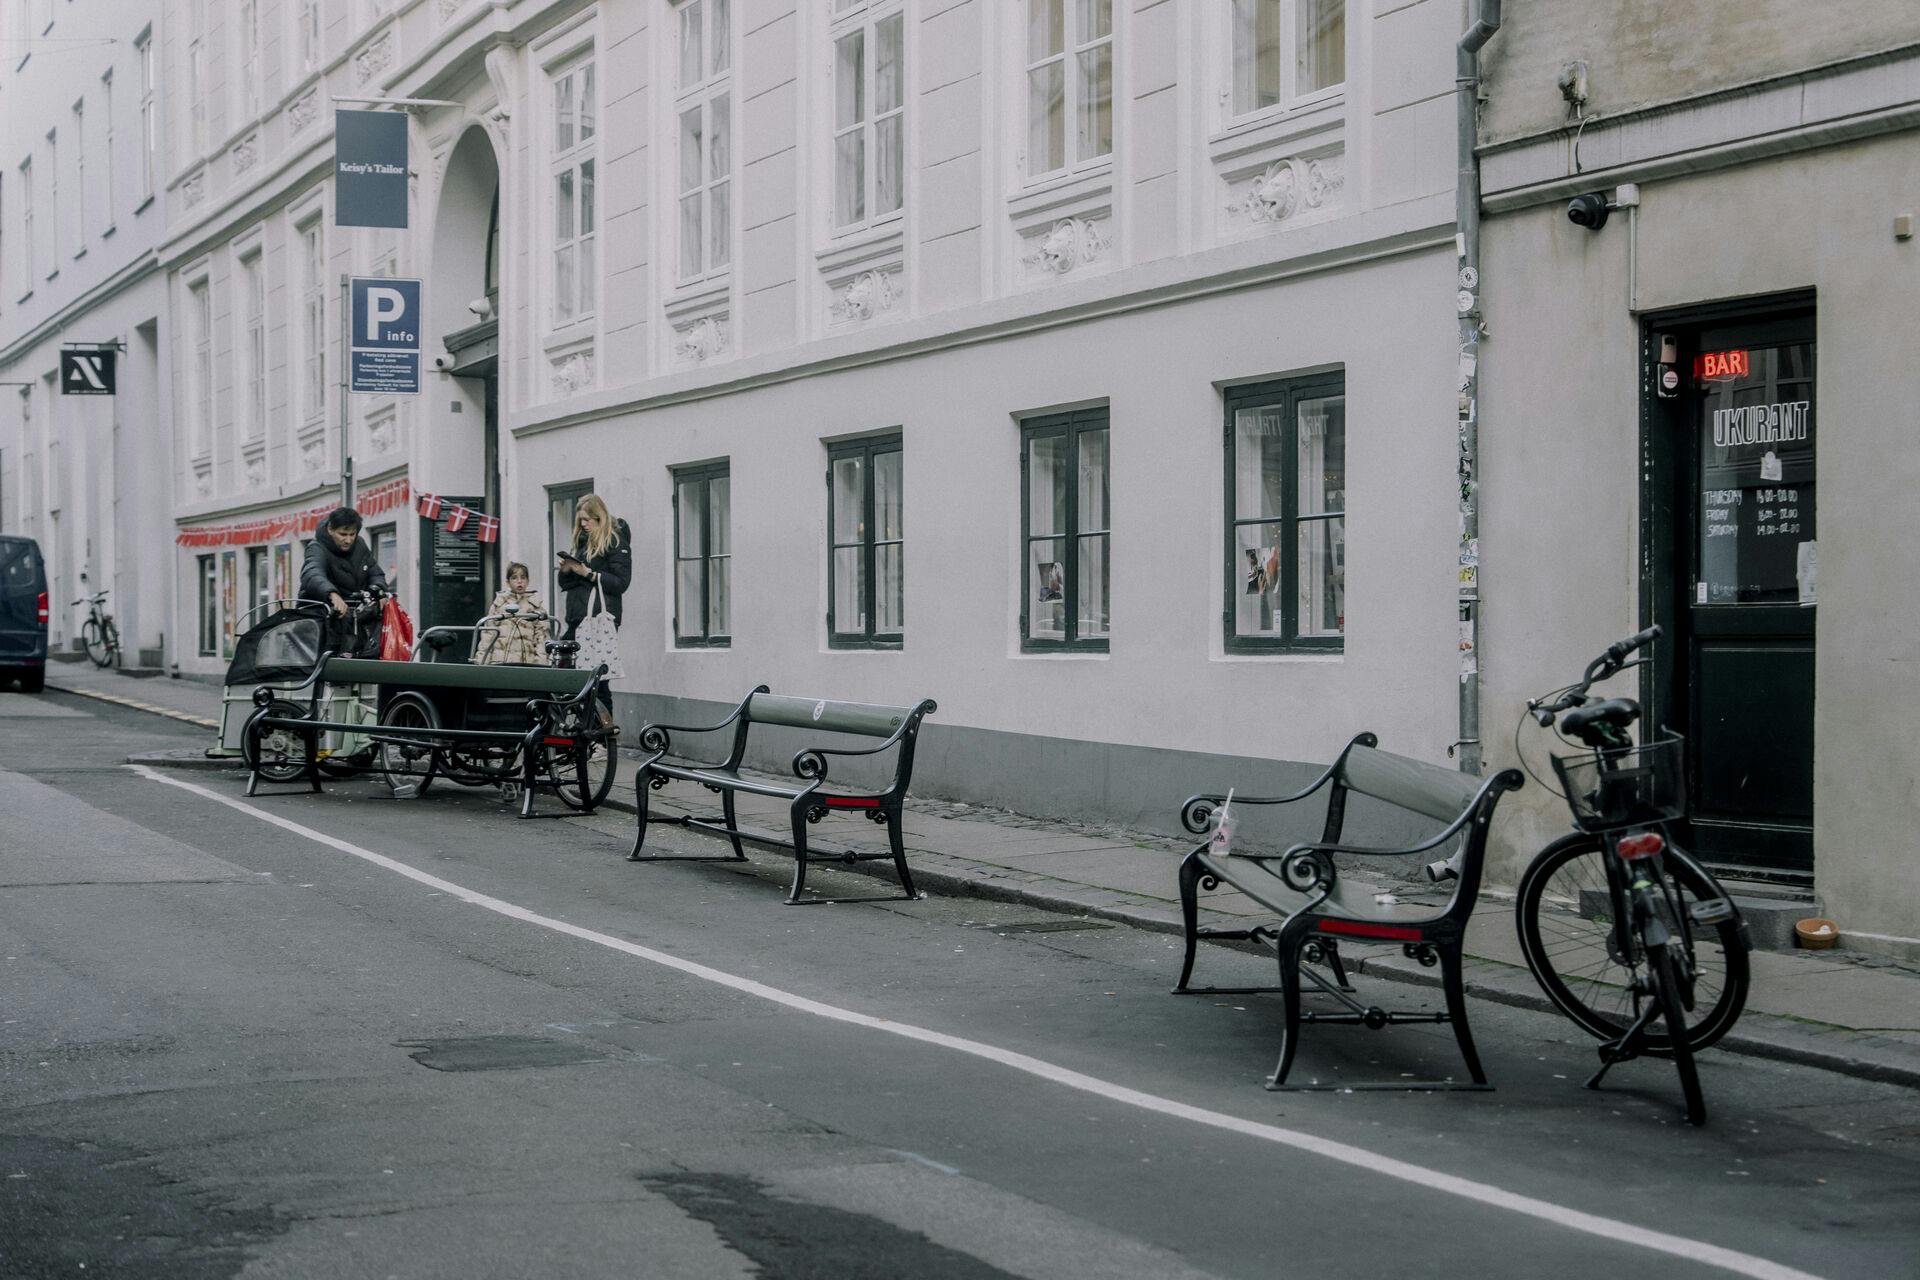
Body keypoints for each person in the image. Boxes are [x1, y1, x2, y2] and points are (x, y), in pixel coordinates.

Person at [556, 493, 631, 723]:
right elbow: (567, 584)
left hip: (600, 620)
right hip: (577, 619)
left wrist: (588, 573)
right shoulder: (583, 543)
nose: (583, 525)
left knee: (598, 680)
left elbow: (621, 583)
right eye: (580, 521)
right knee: (567, 674)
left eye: (587, 520)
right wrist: (567, 569)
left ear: (600, 518)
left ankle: (602, 733)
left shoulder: (615, 542)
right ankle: (578, 728)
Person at [300, 507, 388, 656]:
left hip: (357, 621)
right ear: (330, 529)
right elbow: (312, 573)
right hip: (325, 624)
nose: (348, 540)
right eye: (343, 534)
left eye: (352, 534)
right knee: (328, 664)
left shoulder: (360, 545)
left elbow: (375, 572)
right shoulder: (317, 548)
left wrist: (379, 591)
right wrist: (332, 594)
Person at [477, 562, 551, 666]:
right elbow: (488, 635)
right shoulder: (499, 604)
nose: (519, 581)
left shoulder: (535, 606)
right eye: (514, 578)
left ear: (528, 581)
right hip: (500, 661)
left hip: (527, 662)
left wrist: (541, 664)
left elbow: (542, 637)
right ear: (508, 582)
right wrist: (482, 662)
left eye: (523, 577)